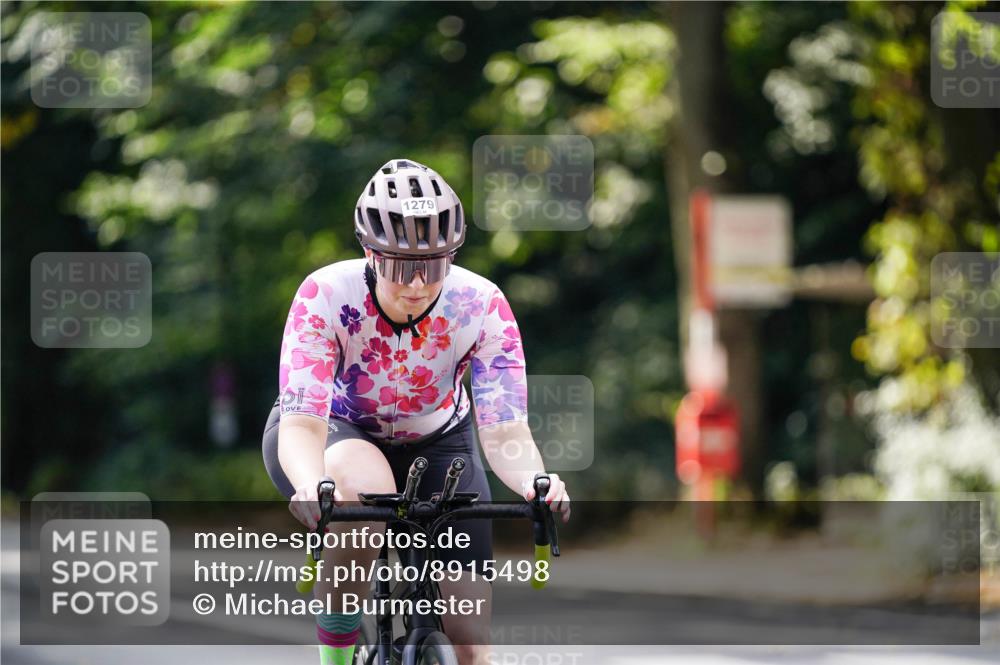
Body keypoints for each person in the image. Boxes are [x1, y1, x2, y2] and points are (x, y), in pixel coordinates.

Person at [261, 158, 571, 665]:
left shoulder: (482, 305)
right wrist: (309, 482)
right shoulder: (325, 295)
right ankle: (336, 651)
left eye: (433, 266)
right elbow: (303, 422)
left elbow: (504, 428)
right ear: (369, 252)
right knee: (366, 491)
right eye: (401, 267)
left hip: (440, 441)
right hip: (337, 430)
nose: (417, 284)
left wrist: (538, 482)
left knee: (472, 644)